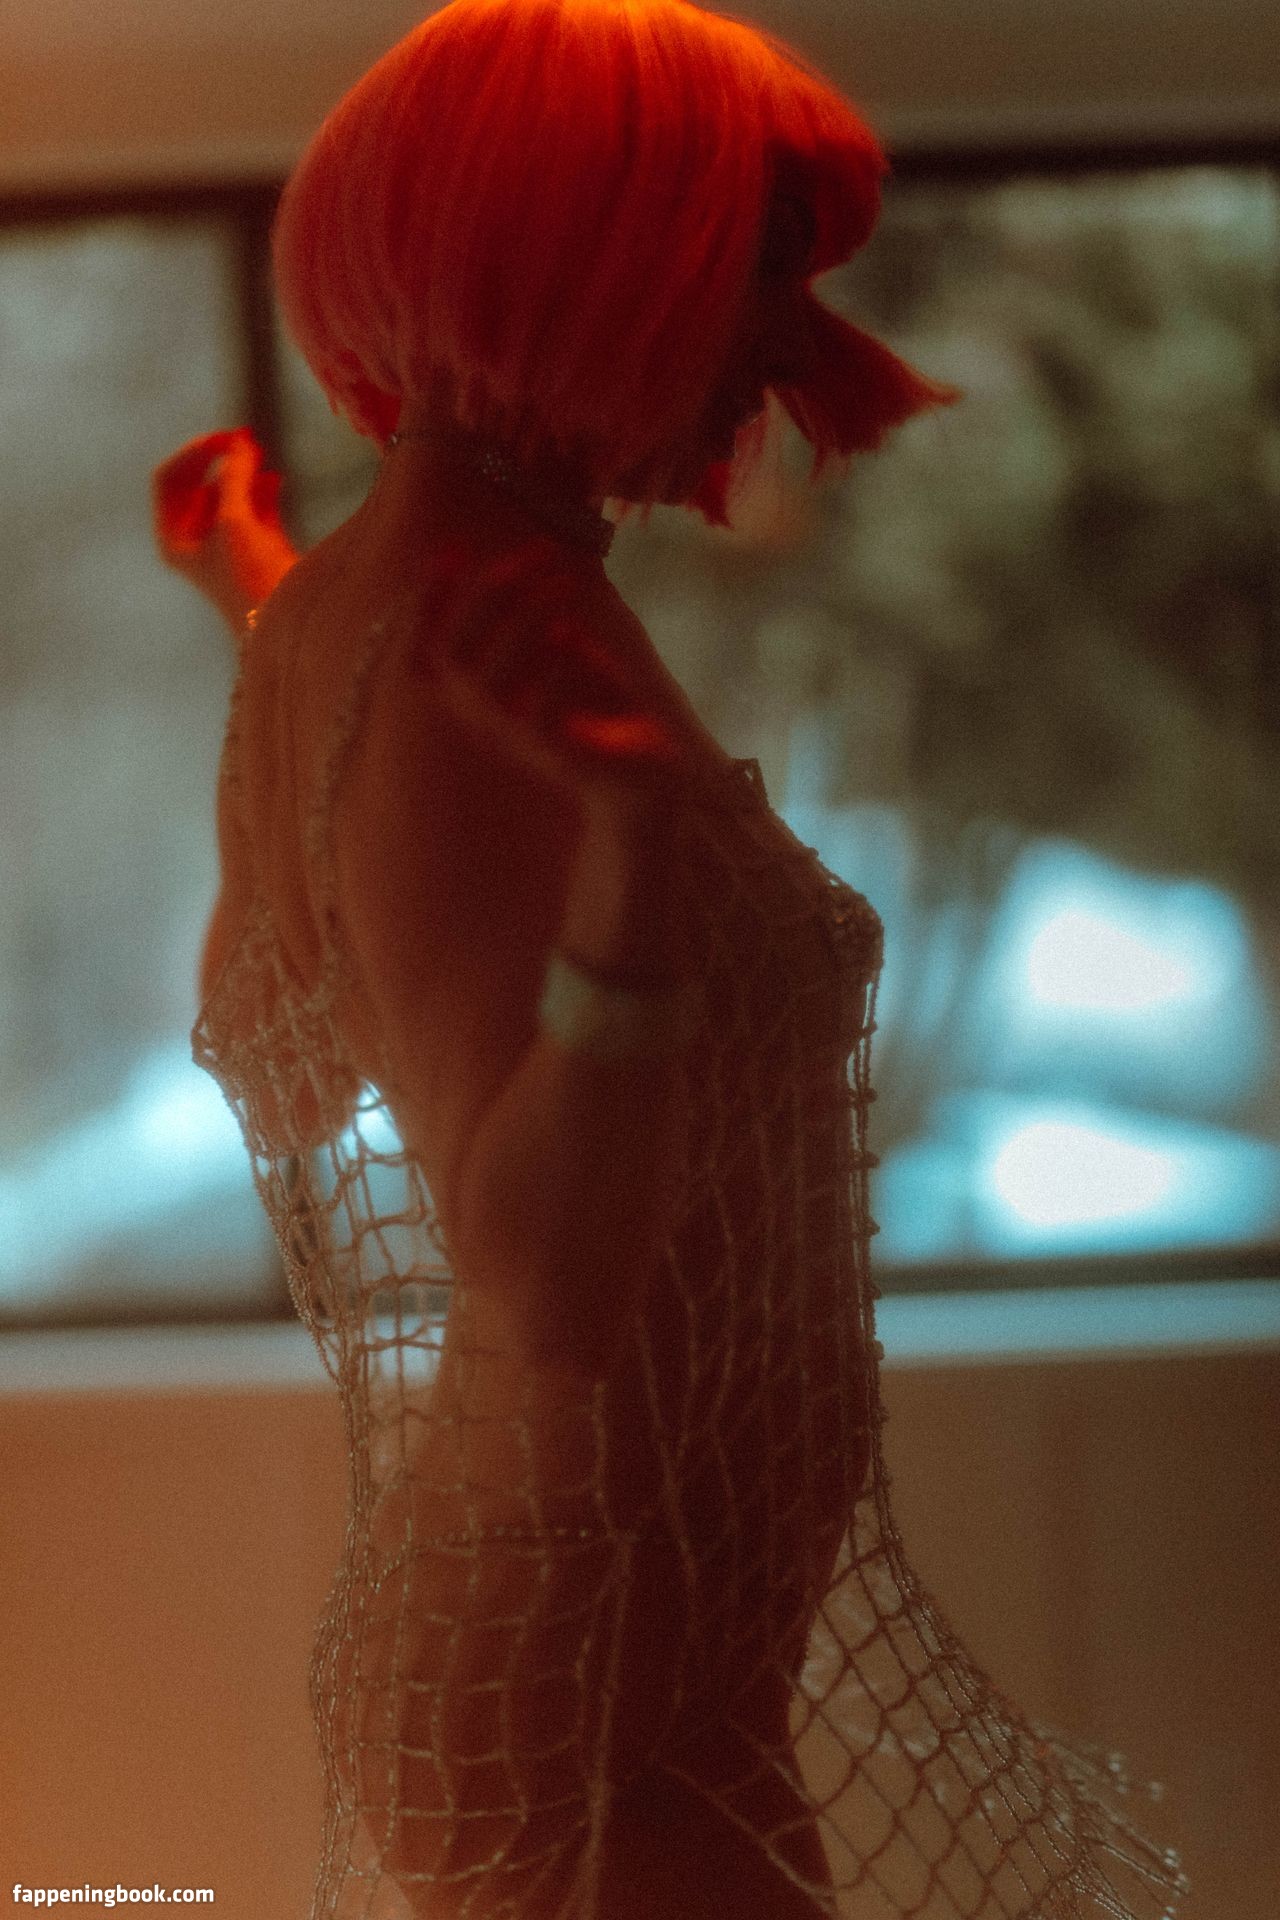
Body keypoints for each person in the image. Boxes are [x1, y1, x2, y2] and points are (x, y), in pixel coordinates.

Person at [152, 3, 1187, 1916]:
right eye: (756, 271)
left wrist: (267, 623)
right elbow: (546, 1282)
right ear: (583, 261)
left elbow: (292, 1057)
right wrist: (633, 859)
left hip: (623, 1653)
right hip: (588, 1687)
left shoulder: (402, 611)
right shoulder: (446, 625)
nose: (789, 347)